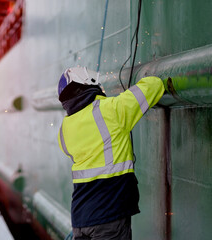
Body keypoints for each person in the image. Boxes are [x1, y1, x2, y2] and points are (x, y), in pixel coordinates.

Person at [57, 66, 165, 240]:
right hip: (108, 217)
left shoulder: (64, 129)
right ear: (88, 83)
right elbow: (153, 86)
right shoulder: (110, 110)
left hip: (80, 220)